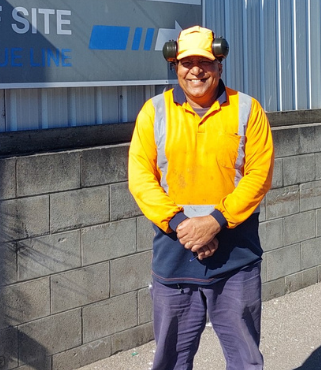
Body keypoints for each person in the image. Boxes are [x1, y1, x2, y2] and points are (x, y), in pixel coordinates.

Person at [128, 25, 275, 370]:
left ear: (219, 64)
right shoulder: (154, 112)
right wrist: (183, 226)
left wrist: (214, 222)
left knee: (245, 360)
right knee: (171, 361)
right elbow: (140, 179)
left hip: (236, 259)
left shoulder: (247, 110)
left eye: (204, 62)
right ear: (175, 66)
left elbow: (259, 176)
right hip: (175, 258)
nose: (195, 70)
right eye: (186, 62)